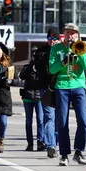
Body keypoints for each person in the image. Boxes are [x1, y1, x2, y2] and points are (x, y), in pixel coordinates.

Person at [48, 23, 86, 166]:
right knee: (62, 121)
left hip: (78, 86)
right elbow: (52, 69)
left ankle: (79, 151)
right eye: (67, 33)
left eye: (73, 33)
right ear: (63, 34)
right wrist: (64, 61)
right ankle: (64, 154)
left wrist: (79, 53)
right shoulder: (56, 48)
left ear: (77, 35)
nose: (70, 36)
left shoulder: (82, 47)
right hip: (62, 86)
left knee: (83, 120)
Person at [35, 27, 61, 158]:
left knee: (59, 118)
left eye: (55, 38)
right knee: (49, 116)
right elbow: (39, 68)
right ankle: (51, 146)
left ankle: (55, 142)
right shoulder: (41, 51)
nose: (52, 41)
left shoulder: (62, 50)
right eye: (50, 38)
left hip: (60, 87)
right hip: (46, 87)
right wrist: (51, 51)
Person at [19, 48, 45, 151]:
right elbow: (21, 76)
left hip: (39, 97)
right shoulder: (27, 67)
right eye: (34, 56)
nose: (35, 58)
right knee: (28, 121)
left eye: (37, 56)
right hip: (28, 97)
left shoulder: (42, 68)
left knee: (40, 120)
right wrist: (30, 68)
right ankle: (30, 143)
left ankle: (40, 142)